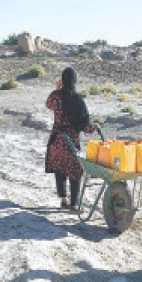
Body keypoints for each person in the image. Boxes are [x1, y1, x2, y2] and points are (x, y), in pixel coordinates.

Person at [45, 68, 100, 209]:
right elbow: (86, 126)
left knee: (59, 168)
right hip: (71, 141)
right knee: (75, 170)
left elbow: (48, 105)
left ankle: (64, 200)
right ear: (75, 81)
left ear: (62, 80)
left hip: (57, 139)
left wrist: (57, 88)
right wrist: (95, 127)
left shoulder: (55, 96)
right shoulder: (78, 99)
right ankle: (74, 204)